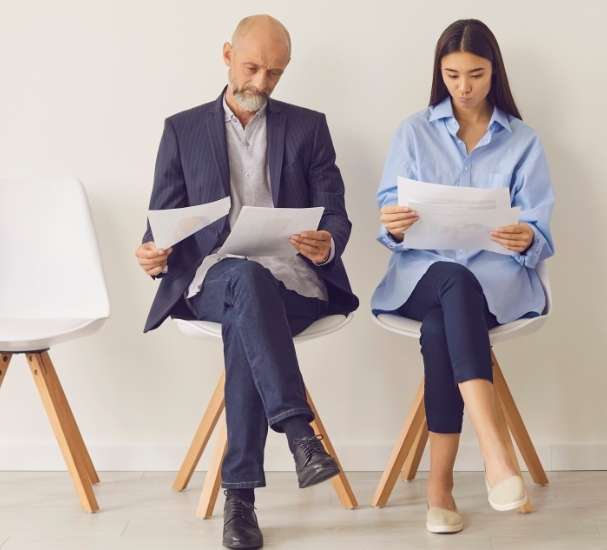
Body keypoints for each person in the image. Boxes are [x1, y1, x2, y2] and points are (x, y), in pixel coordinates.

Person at [135, 15, 359, 550]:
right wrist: (151, 252)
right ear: (227, 55)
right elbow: (160, 222)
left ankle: (241, 497)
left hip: (293, 282)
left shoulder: (308, 127)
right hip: (212, 279)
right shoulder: (182, 129)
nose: (260, 82)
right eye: (253, 66)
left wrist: (327, 241)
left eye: (274, 73)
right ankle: (299, 434)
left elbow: (336, 214)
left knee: (249, 309)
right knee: (241, 280)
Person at [372, 19, 554, 535]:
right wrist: (395, 224)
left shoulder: (524, 141)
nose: (464, 87)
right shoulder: (412, 131)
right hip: (420, 277)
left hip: (495, 285)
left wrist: (527, 239)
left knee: (440, 330)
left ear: (494, 71)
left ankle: (440, 489)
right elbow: (389, 216)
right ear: (440, 73)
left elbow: (540, 228)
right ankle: (495, 451)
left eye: (475, 74)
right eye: (452, 75)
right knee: (450, 275)